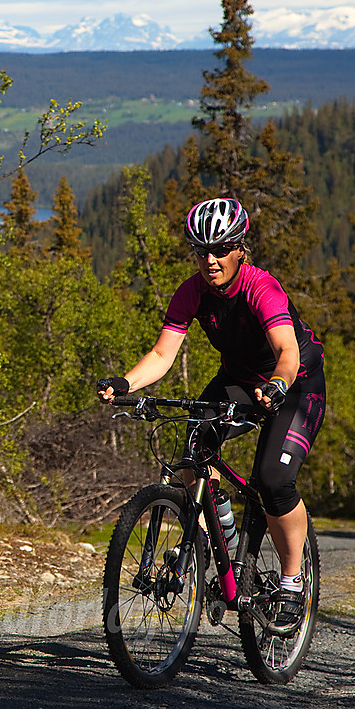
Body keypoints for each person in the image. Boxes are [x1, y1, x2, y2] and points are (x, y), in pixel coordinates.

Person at [98, 198, 325, 635]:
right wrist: (126, 383)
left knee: (273, 483)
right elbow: (164, 354)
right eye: (201, 249)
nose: (210, 259)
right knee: (193, 452)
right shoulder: (192, 291)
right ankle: (223, 534)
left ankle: (293, 582)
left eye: (220, 249)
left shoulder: (262, 288)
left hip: (295, 382)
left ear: (240, 248)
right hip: (239, 378)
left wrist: (277, 386)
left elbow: (287, 352)